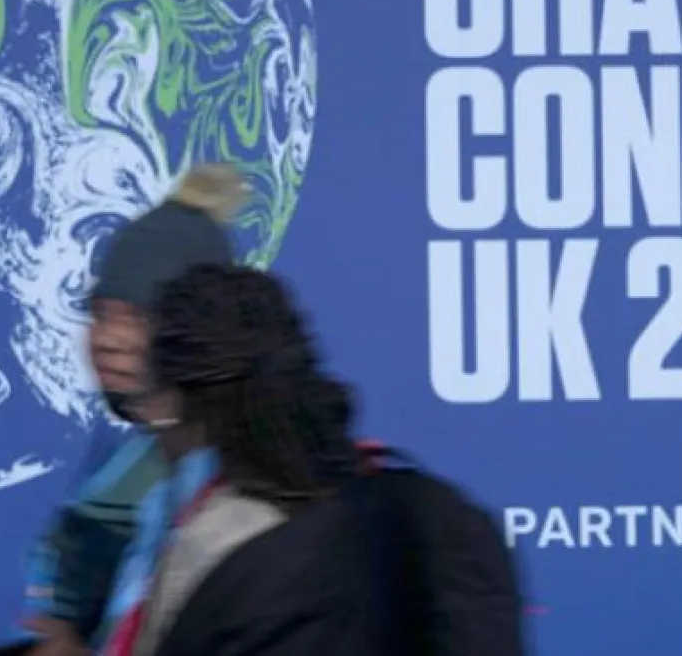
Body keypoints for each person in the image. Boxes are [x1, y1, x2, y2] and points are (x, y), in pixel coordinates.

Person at [104, 262, 526, 656]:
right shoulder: (445, 516)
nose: (153, 432)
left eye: (153, 409)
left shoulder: (213, 548)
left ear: (189, 402)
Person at [14, 165, 247, 656]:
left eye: (137, 317)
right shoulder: (120, 459)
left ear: (196, 326)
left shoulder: (245, 480)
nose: (108, 340)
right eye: (102, 315)